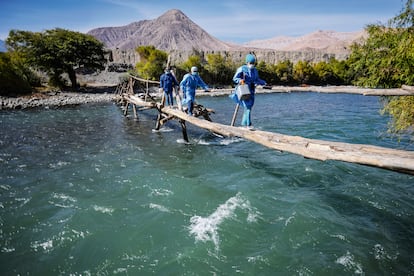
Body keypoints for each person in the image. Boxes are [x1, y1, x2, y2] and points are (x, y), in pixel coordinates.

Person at [231, 53, 266, 127]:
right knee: (248, 107)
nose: (252, 65)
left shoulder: (255, 70)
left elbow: (257, 79)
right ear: (247, 62)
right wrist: (240, 81)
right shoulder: (242, 69)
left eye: (253, 63)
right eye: (251, 63)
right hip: (244, 90)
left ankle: (243, 124)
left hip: (252, 90)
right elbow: (235, 78)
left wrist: (263, 83)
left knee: (249, 107)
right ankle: (248, 125)